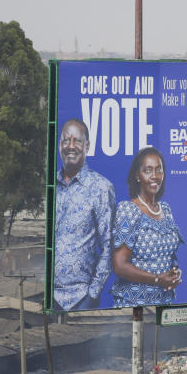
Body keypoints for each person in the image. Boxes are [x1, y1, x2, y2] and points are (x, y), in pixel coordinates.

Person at [54, 119, 115, 311]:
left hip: (80, 299)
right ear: (59, 145)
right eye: (66, 140)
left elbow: (109, 245)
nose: (70, 146)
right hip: (49, 297)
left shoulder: (101, 188)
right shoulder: (49, 187)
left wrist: (93, 294)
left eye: (77, 141)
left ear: (86, 146)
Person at [111, 147, 183, 308]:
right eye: (148, 170)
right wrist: (158, 279)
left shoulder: (166, 210)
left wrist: (174, 273)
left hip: (164, 302)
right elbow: (119, 266)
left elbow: (169, 257)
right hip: (133, 306)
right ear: (137, 175)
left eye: (159, 170)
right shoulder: (129, 211)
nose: (155, 176)